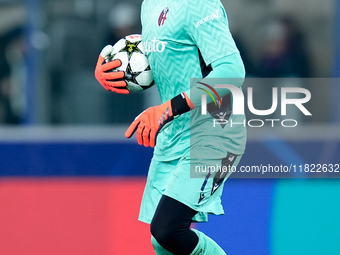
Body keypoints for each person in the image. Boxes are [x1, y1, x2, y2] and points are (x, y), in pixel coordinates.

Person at [95, 0, 246, 254]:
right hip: (173, 135)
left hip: (214, 131)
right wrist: (116, 68)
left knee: (168, 229)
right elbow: (168, 56)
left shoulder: (199, 4)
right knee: (162, 241)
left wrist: (167, 109)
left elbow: (231, 71)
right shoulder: (149, 5)